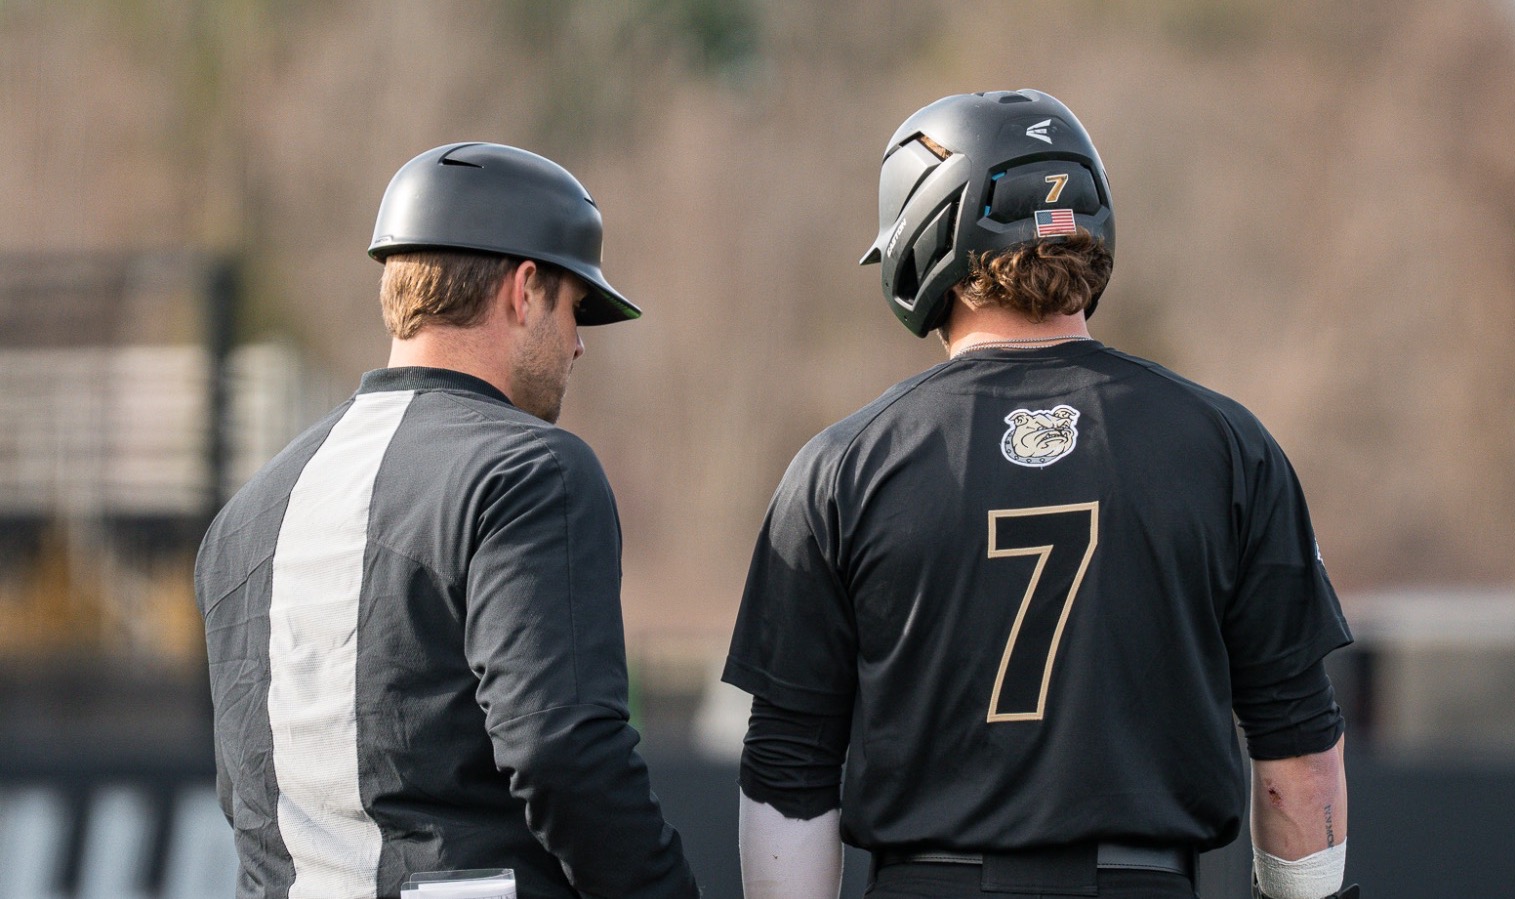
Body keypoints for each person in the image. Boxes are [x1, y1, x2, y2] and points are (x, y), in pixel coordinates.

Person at [721, 90, 1358, 899]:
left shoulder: (845, 463)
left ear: (922, 238)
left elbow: (789, 768)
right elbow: (1296, 757)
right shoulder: (1226, 446)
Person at [196, 142, 699, 899]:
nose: (578, 341)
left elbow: (243, 798)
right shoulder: (531, 470)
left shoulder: (246, 513)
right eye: (573, 307)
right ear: (523, 289)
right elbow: (563, 751)